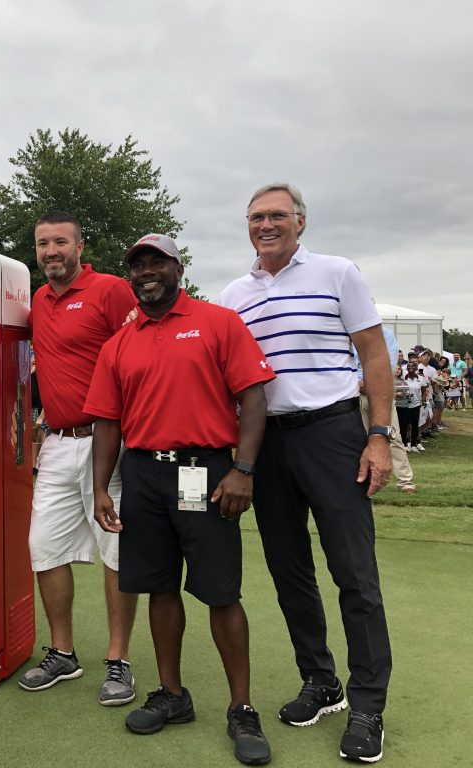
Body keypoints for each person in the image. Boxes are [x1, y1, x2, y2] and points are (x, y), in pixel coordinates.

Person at [219, 183, 393, 763]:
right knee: (289, 569)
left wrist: (379, 436)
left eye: (275, 216)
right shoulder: (233, 294)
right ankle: (322, 681)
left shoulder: (338, 272)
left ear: (300, 221)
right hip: (267, 443)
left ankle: (368, 704)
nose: (264, 225)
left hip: (333, 432)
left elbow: (373, 355)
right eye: (255, 217)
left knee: (353, 573)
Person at [88, 233, 275, 766]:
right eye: (138, 265)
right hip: (145, 474)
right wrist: (102, 486)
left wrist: (243, 468)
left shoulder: (218, 321)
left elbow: (253, 396)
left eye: (156, 262)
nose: (146, 271)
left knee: (220, 592)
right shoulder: (119, 343)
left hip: (205, 470)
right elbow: (107, 421)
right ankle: (173, 695)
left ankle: (242, 707)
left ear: (178, 268)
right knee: (158, 587)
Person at [18, 211, 140, 706]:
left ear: (79, 246)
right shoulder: (37, 301)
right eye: (43, 244)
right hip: (57, 442)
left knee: (115, 554)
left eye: (60, 242)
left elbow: (138, 354)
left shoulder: (110, 290)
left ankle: (118, 660)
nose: (51, 252)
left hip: (107, 441)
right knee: (43, 546)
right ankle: (63, 653)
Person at [354, 326, 417, 491]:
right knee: (357, 438)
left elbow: (388, 363)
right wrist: (355, 381)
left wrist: (369, 382)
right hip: (352, 392)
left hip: (379, 392)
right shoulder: (346, 332)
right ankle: (363, 479)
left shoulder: (385, 334)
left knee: (392, 435)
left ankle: (405, 481)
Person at [396, 362, 426, 453]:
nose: (411, 368)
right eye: (409, 366)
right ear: (407, 368)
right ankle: (405, 444)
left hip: (416, 404)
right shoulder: (403, 379)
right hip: (405, 405)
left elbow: (424, 391)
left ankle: (414, 444)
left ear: (416, 368)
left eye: (413, 366)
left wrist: (423, 400)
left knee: (415, 425)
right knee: (404, 425)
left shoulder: (421, 379)